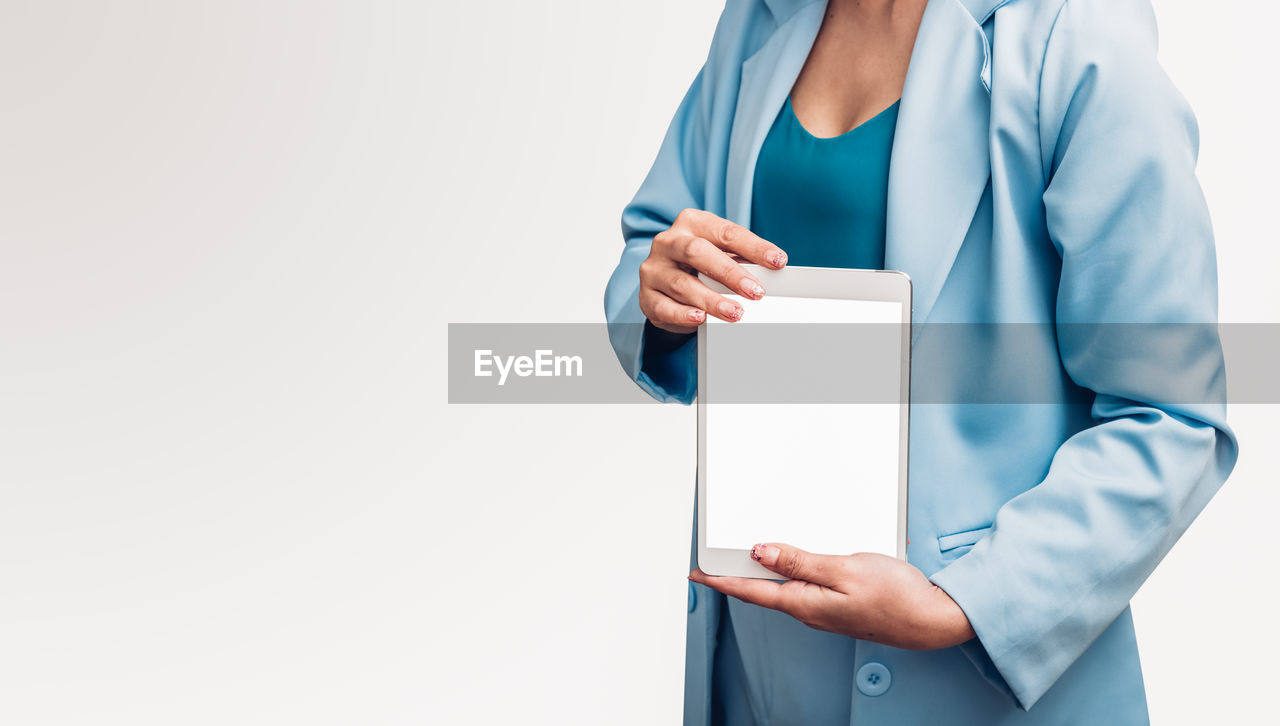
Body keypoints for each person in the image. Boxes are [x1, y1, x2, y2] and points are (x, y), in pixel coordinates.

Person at [603, 0, 1238, 724]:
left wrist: (966, 604)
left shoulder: (1078, 39)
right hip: (757, 660)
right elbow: (657, 243)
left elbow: (1171, 415)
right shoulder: (760, 15)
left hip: (972, 679)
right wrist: (662, 294)